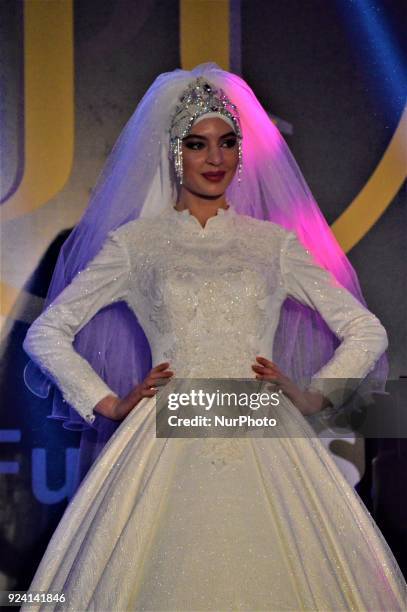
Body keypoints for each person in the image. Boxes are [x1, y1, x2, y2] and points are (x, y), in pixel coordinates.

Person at [21, 64, 406, 611]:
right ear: (174, 153)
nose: (216, 158)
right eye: (198, 145)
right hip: (168, 433)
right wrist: (109, 402)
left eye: (227, 143)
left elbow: (365, 328)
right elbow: (47, 333)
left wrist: (315, 393)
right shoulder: (139, 245)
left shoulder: (271, 244)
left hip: (262, 431)